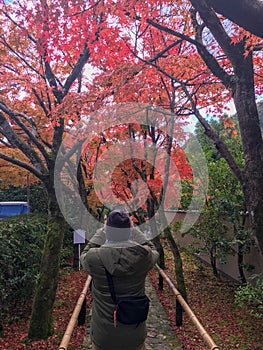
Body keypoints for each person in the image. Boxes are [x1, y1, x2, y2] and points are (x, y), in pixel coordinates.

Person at [81, 210, 159, 350]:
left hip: (103, 335)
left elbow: (85, 253)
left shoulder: (94, 258)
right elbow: (153, 249)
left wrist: (101, 231)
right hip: (134, 334)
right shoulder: (143, 256)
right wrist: (134, 230)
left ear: (107, 229)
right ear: (129, 230)